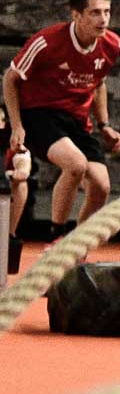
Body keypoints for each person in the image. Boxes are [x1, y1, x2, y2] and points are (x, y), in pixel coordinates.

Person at [3, 0, 120, 243]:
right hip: (38, 113)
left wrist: (104, 125)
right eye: (94, 13)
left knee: (102, 186)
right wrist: (17, 125)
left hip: (76, 119)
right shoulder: (47, 42)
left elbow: (98, 82)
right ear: (76, 15)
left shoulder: (111, 44)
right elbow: (10, 79)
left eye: (107, 12)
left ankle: (77, 245)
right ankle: (56, 236)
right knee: (76, 165)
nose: (103, 19)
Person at [0, 109, 30, 273]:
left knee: (21, 185)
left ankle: (8, 235)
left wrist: (8, 176)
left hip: (3, 193)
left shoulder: (15, 147)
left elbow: (23, 171)